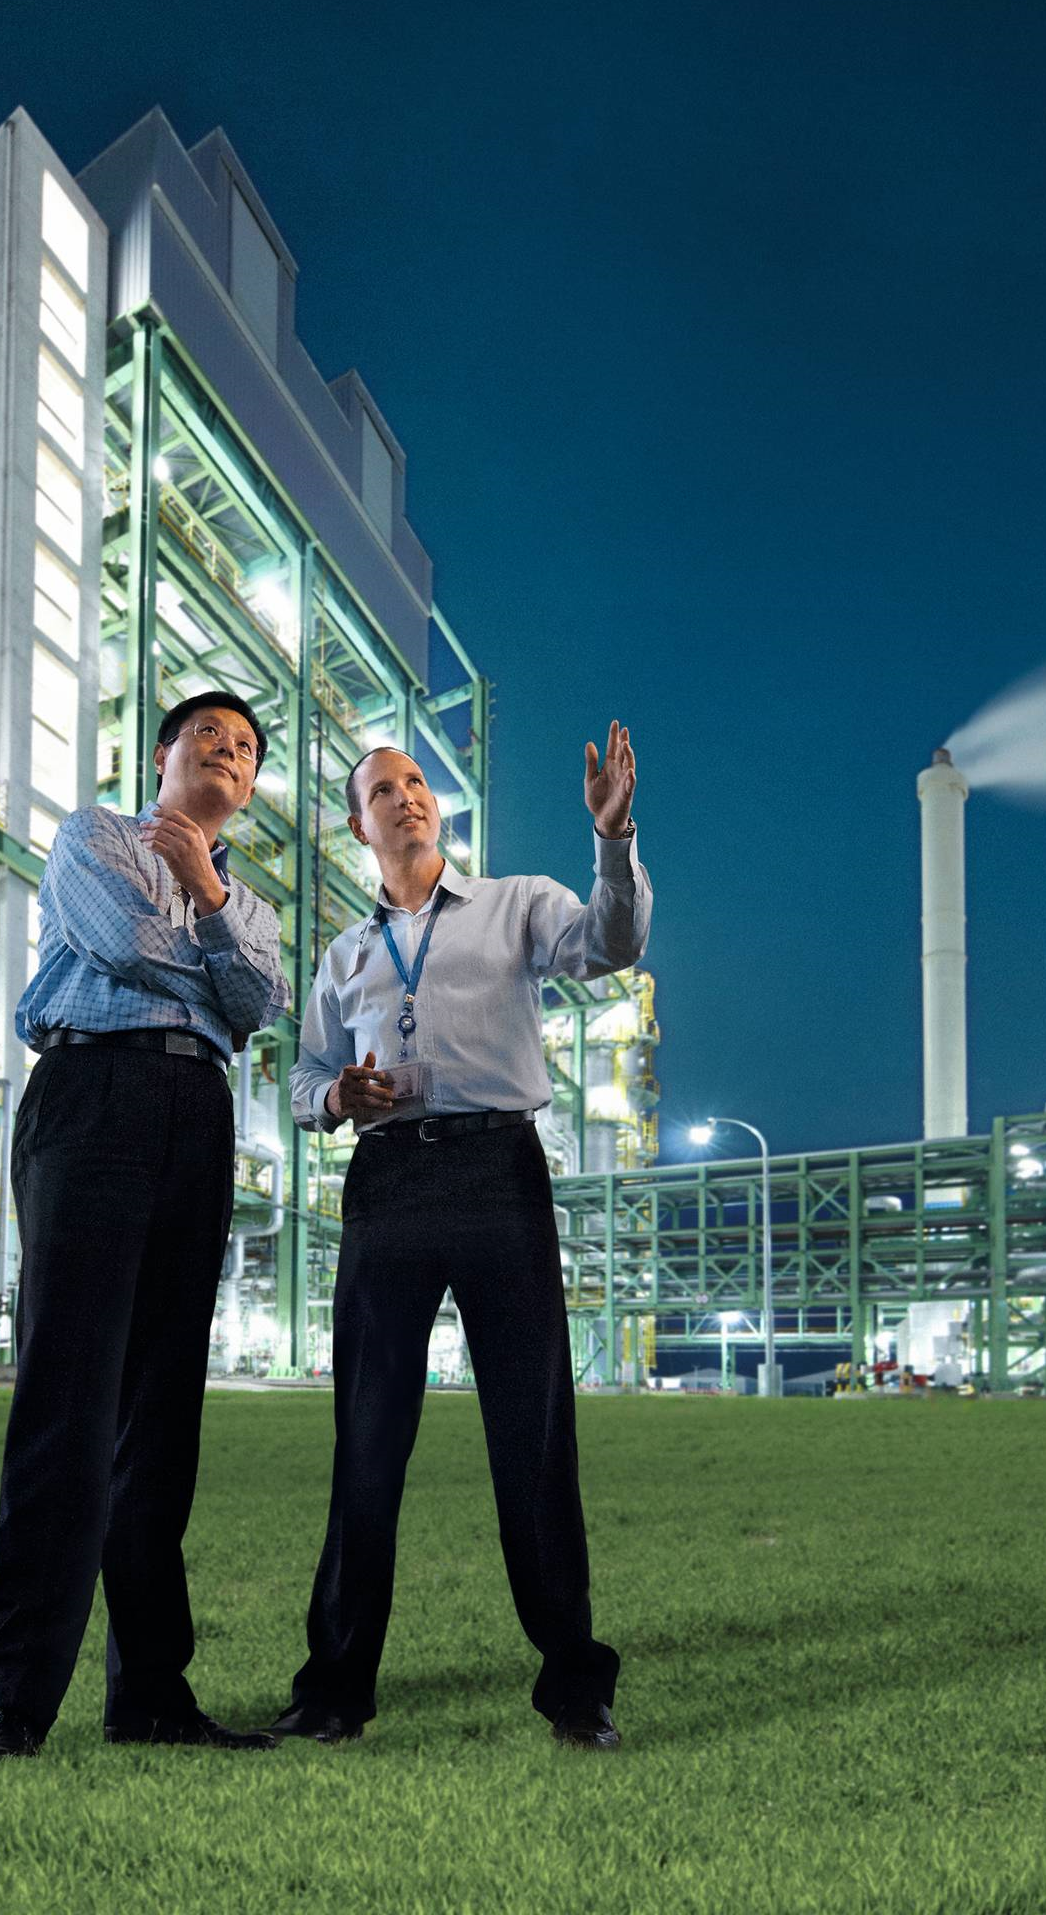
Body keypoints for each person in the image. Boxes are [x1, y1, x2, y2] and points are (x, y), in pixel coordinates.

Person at [272, 722, 649, 1751]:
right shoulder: (345, 954)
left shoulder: (516, 904)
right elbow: (303, 1075)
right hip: (386, 1179)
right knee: (367, 1436)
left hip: (496, 1170)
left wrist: (611, 840)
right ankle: (333, 1689)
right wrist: (333, 1097)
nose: (406, 796)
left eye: (415, 782)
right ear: (358, 825)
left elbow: (611, 946)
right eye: (382, 790)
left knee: (531, 1432)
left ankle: (575, 1686)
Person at [0, 691, 292, 1763]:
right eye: (210, 736)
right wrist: (212, 945)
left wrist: (208, 903)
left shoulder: (251, 899)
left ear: (251, 785)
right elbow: (123, 945)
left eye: (245, 748)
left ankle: (150, 1693)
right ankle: (14, 1700)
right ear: (162, 754)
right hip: (93, 1092)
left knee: (161, 1414)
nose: (229, 752)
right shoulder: (95, 835)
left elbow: (260, 1006)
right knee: (69, 1397)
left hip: (197, 1114)